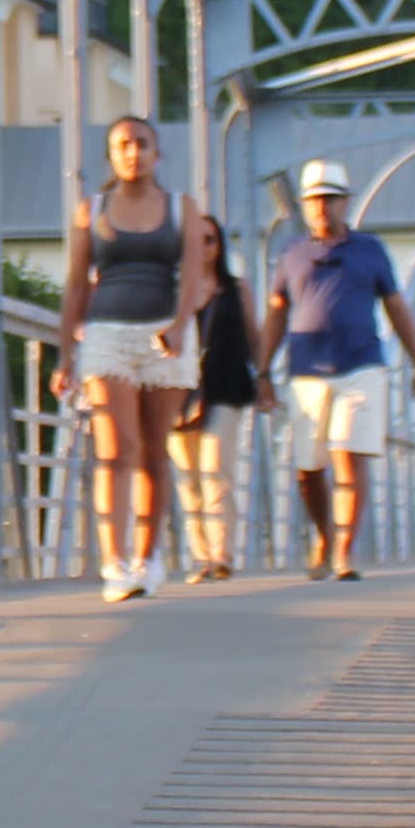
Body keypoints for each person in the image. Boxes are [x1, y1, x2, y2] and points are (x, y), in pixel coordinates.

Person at [53, 114, 215, 602]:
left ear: (157, 154)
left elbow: (193, 276)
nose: (133, 153)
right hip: (107, 334)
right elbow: (76, 283)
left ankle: (147, 557)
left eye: (142, 143)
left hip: (164, 333)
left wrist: (181, 324)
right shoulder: (92, 210)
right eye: (123, 144)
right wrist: (65, 354)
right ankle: (115, 563)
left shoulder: (182, 208)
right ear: (111, 154)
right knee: (115, 448)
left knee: (152, 451)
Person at [265, 160, 415, 579]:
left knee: (348, 453)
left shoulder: (369, 250)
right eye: (315, 200)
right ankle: (324, 536)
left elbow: (396, 306)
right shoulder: (291, 254)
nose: (323, 207)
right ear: (304, 206)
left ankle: (343, 550)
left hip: (361, 366)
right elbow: (276, 314)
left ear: (345, 202)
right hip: (307, 372)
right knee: (309, 466)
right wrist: (262, 370)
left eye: (331, 199)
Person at [175, 220, 260, 582]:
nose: (203, 247)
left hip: (226, 387)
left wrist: (265, 377)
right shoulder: (175, 290)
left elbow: (253, 335)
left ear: (220, 245)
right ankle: (201, 558)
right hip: (180, 392)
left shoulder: (236, 289)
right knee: (188, 478)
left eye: (209, 240)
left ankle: (221, 555)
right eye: (196, 240)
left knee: (216, 470)